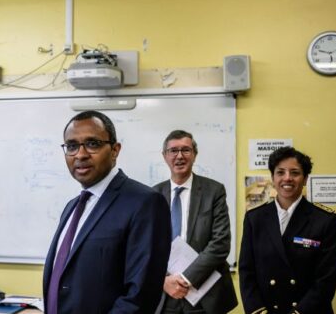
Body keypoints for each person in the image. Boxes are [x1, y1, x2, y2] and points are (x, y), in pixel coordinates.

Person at [42, 110, 171, 314]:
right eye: (72, 146)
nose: (81, 154)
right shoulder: (72, 207)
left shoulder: (145, 203)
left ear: (115, 150)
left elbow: (140, 296)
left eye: (93, 144)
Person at [239, 147, 336, 314]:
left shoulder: (325, 220)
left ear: (305, 178)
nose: (287, 178)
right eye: (280, 172)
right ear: (272, 177)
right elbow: (247, 273)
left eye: (295, 173)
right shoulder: (254, 218)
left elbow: (325, 280)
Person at [152, 130, 238, 314]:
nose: (180, 156)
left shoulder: (214, 191)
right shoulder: (152, 196)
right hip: (164, 297)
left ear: (194, 154)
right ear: (164, 156)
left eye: (186, 150)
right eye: (173, 150)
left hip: (205, 295)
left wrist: (186, 278)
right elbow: (145, 248)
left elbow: (221, 243)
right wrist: (163, 281)